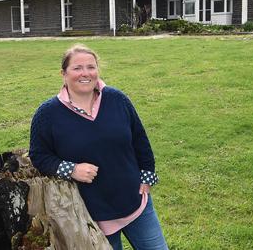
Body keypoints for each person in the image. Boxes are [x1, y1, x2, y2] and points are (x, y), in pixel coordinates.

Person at [29, 44, 168, 250]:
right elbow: (39, 155)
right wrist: (72, 169)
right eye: (77, 68)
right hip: (92, 214)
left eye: (91, 67)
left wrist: (147, 179)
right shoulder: (48, 114)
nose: (85, 73)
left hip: (135, 202)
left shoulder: (117, 99)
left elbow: (140, 140)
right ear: (63, 74)